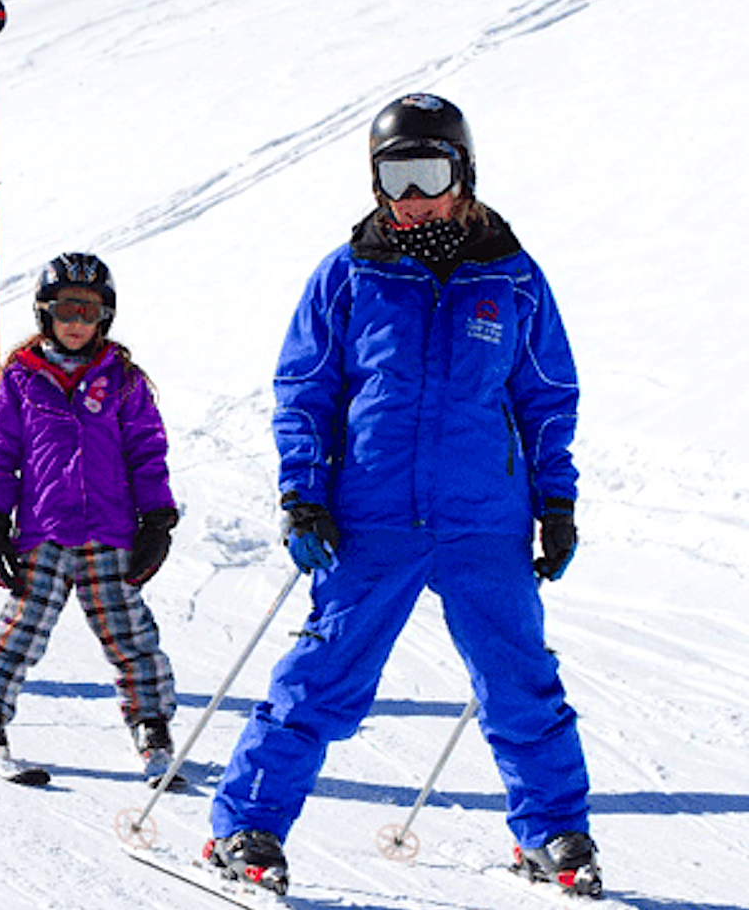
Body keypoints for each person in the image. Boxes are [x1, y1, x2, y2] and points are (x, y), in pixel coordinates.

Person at [203, 94, 597, 898]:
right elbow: (305, 388)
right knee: (321, 678)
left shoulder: (513, 277)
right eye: (396, 176)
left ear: (464, 173)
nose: (412, 197)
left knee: (521, 683)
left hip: (485, 519)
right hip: (370, 516)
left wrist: (555, 503)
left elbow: (547, 396)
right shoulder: (349, 274)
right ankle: (247, 826)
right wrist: (303, 491)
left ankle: (553, 830)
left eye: (429, 172)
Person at [0, 252, 182, 781]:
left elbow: (147, 452)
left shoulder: (123, 379)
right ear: (44, 312)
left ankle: (150, 721)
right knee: (21, 630)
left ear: (106, 315)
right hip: (44, 532)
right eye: (66, 309)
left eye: (90, 310)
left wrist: (157, 520)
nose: (78, 322)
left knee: (130, 634)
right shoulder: (18, 380)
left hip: (110, 531)